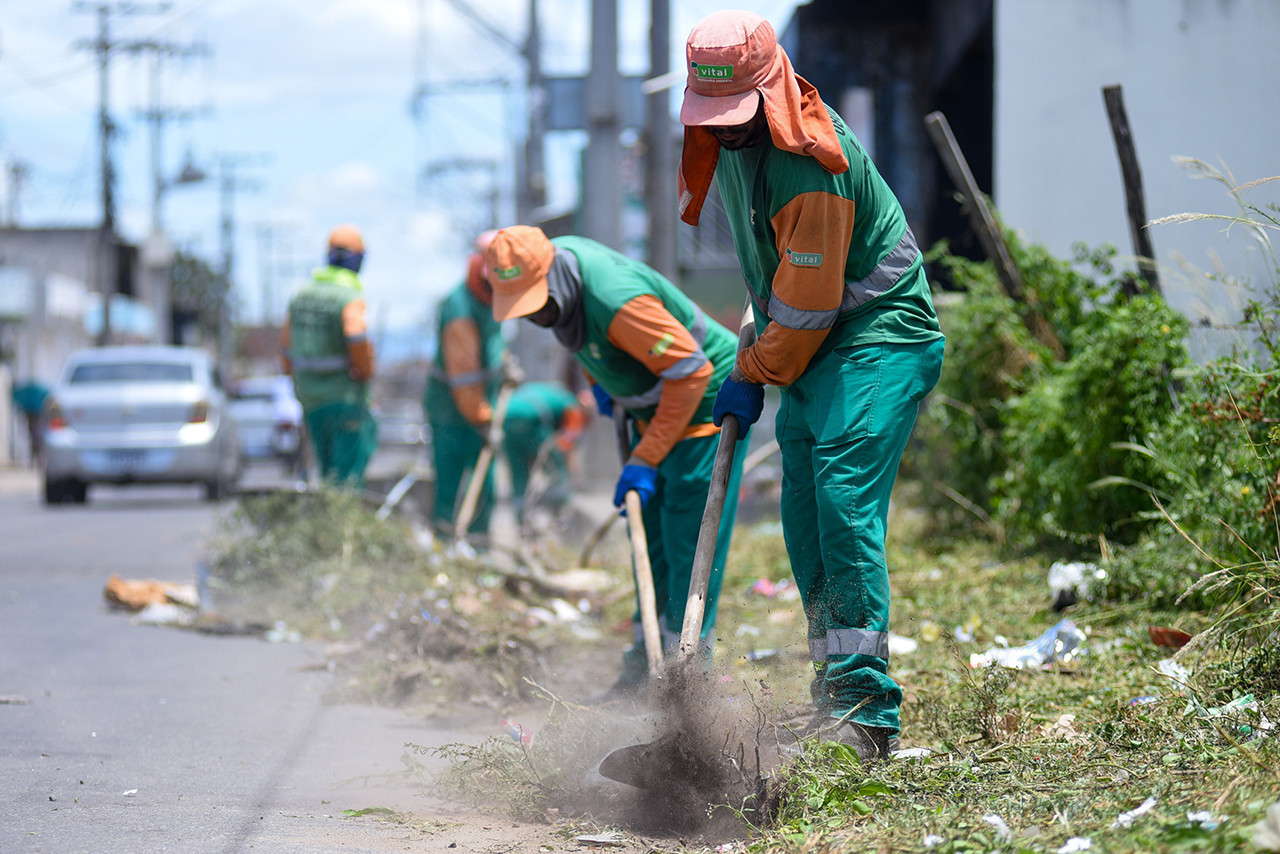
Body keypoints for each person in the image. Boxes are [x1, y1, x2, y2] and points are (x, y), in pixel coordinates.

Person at [678, 10, 946, 760]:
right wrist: (755, 339)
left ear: (768, 90)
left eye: (736, 116)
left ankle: (865, 712)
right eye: (715, 115)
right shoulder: (732, 141)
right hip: (812, 344)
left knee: (842, 499)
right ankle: (833, 693)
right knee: (803, 514)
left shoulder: (809, 165)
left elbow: (808, 310)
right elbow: (777, 278)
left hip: (877, 340)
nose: (725, 130)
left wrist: (751, 367)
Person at [484, 225, 747, 696]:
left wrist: (645, 458)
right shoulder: (559, 276)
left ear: (552, 278)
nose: (537, 317)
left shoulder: (616, 299)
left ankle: (687, 679)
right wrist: (605, 383)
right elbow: (582, 337)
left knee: (688, 547)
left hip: (702, 406)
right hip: (654, 407)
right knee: (652, 547)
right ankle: (642, 669)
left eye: (539, 305)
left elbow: (690, 370)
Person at [281, 224, 378, 488]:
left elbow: (286, 348)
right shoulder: (349, 296)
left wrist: (299, 379)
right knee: (348, 474)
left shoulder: (301, 296)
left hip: (310, 398)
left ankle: (327, 520)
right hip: (345, 398)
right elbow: (357, 338)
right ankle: (344, 525)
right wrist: (366, 371)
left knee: (325, 470)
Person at [424, 231, 507, 538]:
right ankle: (446, 545)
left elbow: (492, 349)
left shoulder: (490, 300)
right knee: (450, 481)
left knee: (485, 483)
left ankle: (479, 548)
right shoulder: (458, 306)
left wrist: (506, 365)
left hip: (478, 410)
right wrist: (484, 418)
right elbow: (464, 375)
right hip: (452, 412)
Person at [501, 381, 590, 526]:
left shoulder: (556, 395)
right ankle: (560, 515)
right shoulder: (574, 408)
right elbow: (565, 445)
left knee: (518, 472)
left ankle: (522, 521)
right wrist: (571, 471)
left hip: (506, 417)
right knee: (556, 467)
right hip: (531, 418)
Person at [12, 379, 50, 467]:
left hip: (35, 418)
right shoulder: (30, 397)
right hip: (35, 418)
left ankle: (37, 459)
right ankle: (36, 459)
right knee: (35, 437)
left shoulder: (25, 396)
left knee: (36, 437)